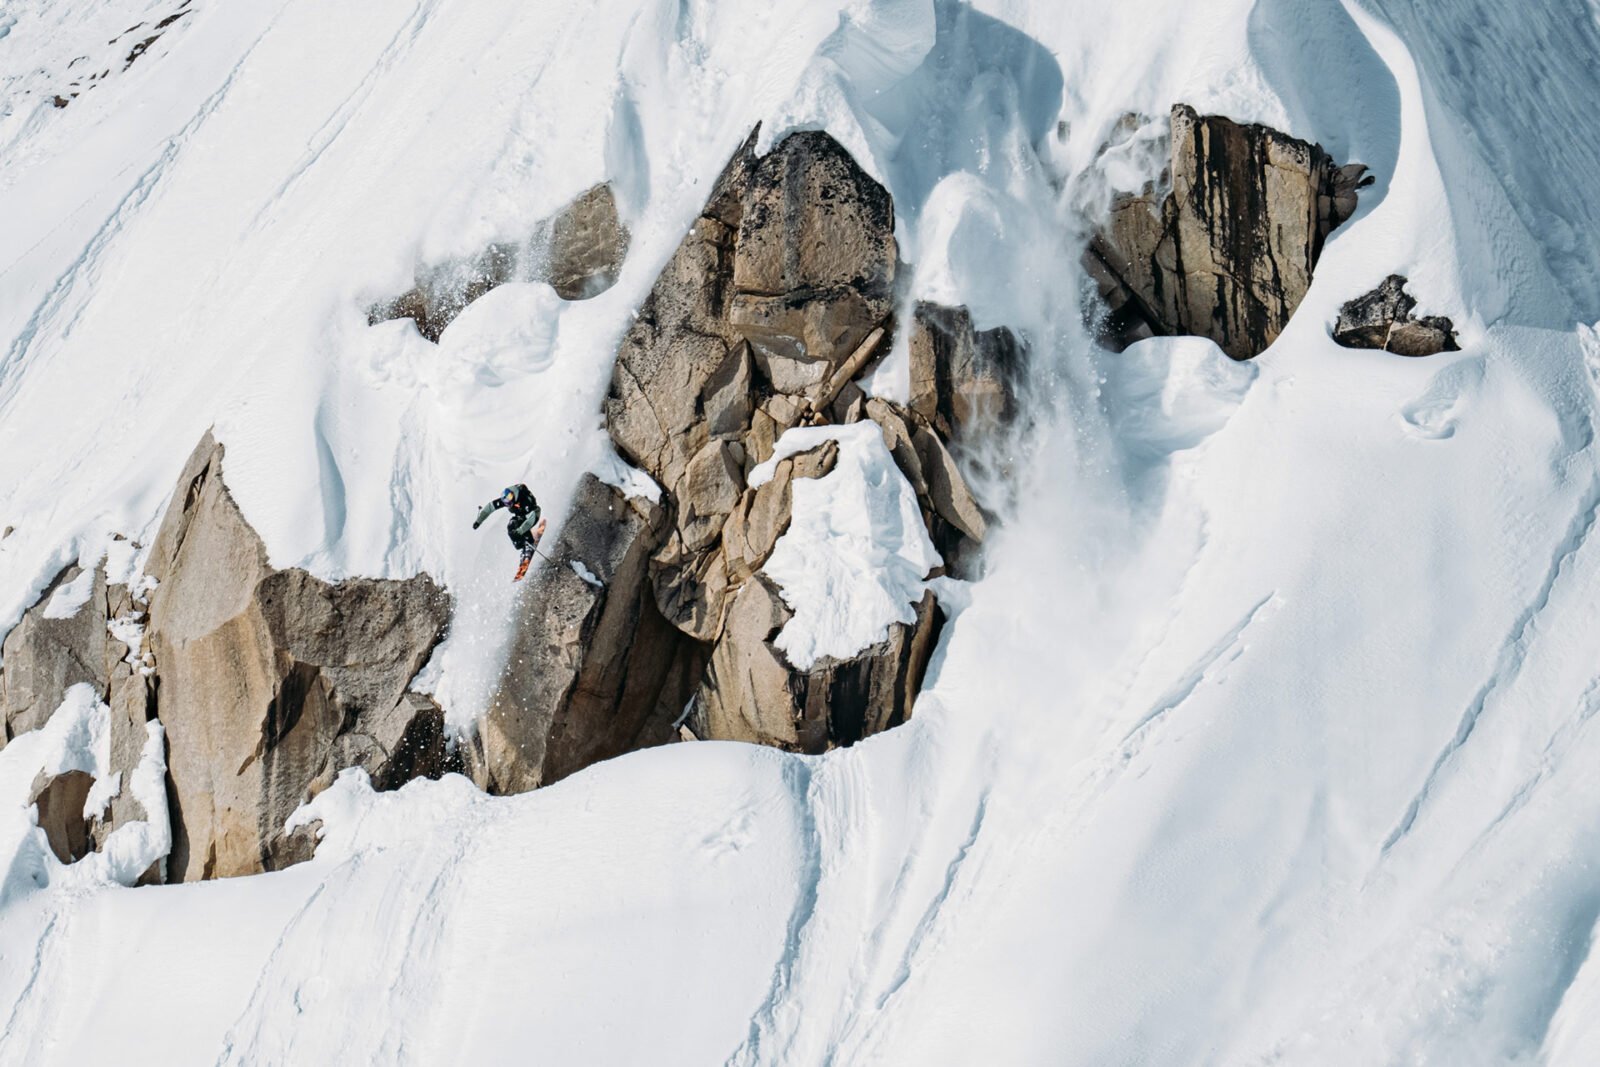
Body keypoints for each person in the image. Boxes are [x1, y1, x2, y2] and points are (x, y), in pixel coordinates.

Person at [474, 484, 546, 581]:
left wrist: (520, 531)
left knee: (518, 528)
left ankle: (529, 543)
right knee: (511, 527)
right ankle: (522, 545)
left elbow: (530, 520)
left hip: (533, 515)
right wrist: (478, 521)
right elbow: (490, 507)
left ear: (514, 495)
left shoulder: (524, 500)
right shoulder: (508, 500)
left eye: (509, 501)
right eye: (506, 502)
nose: (508, 504)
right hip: (522, 516)